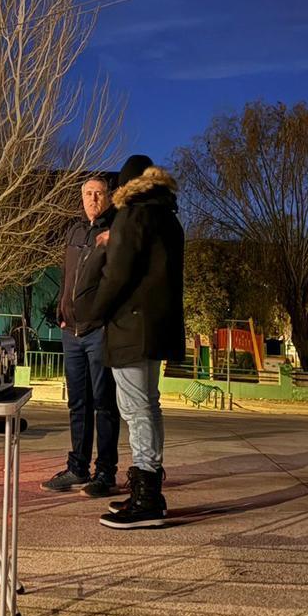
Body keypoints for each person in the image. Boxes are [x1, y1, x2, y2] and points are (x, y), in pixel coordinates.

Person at [86, 154, 185, 529]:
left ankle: (147, 496)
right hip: (156, 326)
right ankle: (148, 485)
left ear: (125, 187)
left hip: (130, 326)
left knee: (136, 409)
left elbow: (118, 274)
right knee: (149, 405)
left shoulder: (133, 214)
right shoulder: (168, 218)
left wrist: (94, 311)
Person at [41, 174, 121, 496]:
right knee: (78, 403)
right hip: (70, 333)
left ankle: (105, 473)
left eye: (99, 193)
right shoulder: (75, 231)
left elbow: (116, 280)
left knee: (104, 403)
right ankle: (78, 468)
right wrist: (61, 311)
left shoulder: (114, 231)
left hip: (97, 331)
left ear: (108, 197)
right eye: (88, 193)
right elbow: (67, 276)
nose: (92, 199)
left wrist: (104, 319)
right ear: (81, 197)